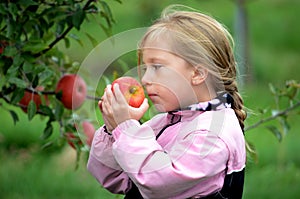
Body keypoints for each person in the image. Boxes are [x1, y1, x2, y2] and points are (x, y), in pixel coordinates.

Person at [87, 4, 247, 199]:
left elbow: (158, 183)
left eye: (157, 66)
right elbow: (116, 179)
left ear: (197, 73)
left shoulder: (211, 135)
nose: (145, 79)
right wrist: (114, 131)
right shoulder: (165, 122)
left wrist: (127, 130)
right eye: (146, 68)